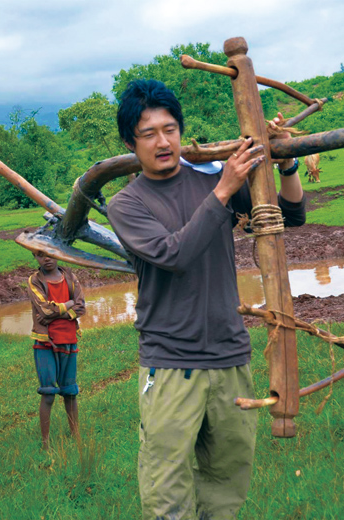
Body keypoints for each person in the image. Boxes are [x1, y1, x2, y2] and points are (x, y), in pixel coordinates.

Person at [107, 79, 306, 520]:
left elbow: (289, 216)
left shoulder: (211, 181)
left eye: (170, 129)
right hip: (171, 360)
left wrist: (286, 165)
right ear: (129, 142)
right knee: (167, 492)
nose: (163, 142)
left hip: (230, 356)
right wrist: (224, 187)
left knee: (225, 488)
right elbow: (173, 255)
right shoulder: (127, 203)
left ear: (181, 130)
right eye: (148, 133)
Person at [27, 250, 85, 448]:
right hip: (45, 342)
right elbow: (44, 309)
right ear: (34, 256)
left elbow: (81, 307)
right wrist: (68, 304)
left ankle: (75, 435)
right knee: (48, 392)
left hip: (69, 339)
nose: (46, 258)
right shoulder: (35, 281)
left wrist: (56, 313)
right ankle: (45, 442)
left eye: (50, 252)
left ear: (59, 253)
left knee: (70, 391)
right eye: (40, 254)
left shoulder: (70, 278)